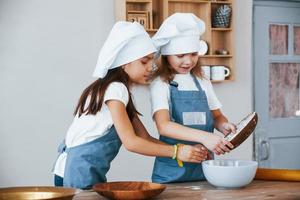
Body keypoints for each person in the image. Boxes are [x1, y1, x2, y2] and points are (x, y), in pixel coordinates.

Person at [53, 21, 208, 189]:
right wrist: (177, 152)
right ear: (125, 63)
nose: (151, 67)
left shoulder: (113, 89)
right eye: (144, 61)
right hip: (79, 170)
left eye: (151, 61)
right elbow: (131, 143)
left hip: (74, 168)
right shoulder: (116, 89)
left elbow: (145, 138)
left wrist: (184, 150)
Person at [149, 13, 236, 183]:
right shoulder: (160, 83)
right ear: (167, 56)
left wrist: (223, 126)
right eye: (180, 56)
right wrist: (205, 137)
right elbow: (164, 126)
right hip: (171, 171)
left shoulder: (202, 80)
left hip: (205, 170)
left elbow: (216, 116)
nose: (188, 61)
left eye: (193, 54)